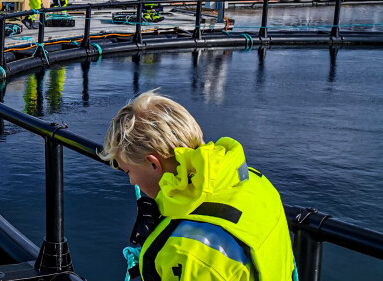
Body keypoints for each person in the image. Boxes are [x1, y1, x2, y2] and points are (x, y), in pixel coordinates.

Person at [100, 90, 295, 281]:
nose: (132, 182)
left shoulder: (189, 252)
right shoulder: (254, 182)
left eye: (129, 172)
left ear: (154, 164)